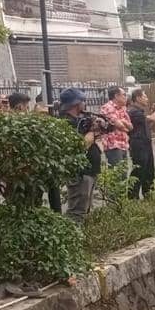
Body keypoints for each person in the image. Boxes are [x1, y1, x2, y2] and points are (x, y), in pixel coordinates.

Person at [61, 88, 101, 222]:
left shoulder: (79, 121)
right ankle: (72, 233)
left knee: (85, 209)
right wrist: (92, 132)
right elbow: (81, 145)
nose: (84, 104)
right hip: (80, 172)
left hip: (88, 170)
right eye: (83, 101)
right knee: (77, 211)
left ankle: (81, 233)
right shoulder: (67, 122)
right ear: (76, 103)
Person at [125, 89, 155, 200]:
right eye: (145, 96)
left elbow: (148, 125)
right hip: (138, 145)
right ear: (137, 98)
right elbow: (152, 118)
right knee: (139, 171)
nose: (147, 99)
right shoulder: (133, 111)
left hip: (146, 143)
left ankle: (148, 195)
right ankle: (133, 197)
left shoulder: (140, 112)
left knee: (149, 171)